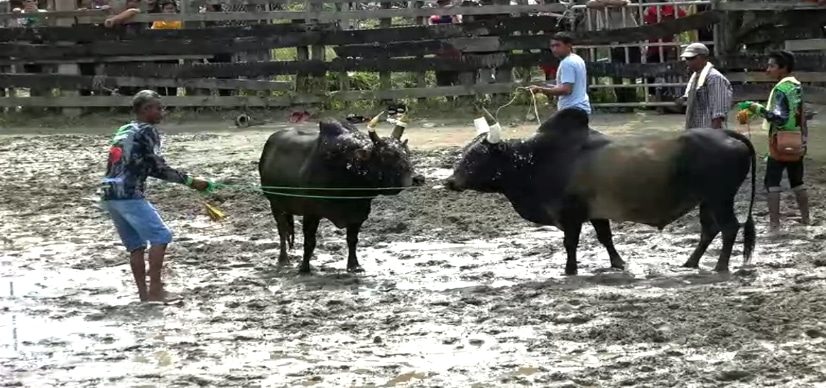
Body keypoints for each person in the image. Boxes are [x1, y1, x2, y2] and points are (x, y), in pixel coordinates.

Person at [101, 90, 213, 302]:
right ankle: (156, 290)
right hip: (129, 194)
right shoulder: (148, 131)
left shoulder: (124, 129)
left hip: (109, 194)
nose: (163, 112)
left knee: (136, 245)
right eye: (158, 108)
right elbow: (157, 167)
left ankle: (145, 295)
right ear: (146, 110)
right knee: (161, 236)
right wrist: (191, 181)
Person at [740, 51, 810, 233]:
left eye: (772, 66)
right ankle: (806, 219)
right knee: (797, 181)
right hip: (796, 139)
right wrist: (804, 138)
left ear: (783, 68)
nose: (768, 69)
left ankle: (774, 225)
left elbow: (778, 118)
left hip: (779, 142)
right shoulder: (796, 86)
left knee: (772, 183)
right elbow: (801, 115)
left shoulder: (780, 89)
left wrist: (756, 108)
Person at [586, 0, 641, 107]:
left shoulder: (621, 4)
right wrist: (605, 3)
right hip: (615, 42)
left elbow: (625, 2)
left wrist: (607, 2)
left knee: (632, 71)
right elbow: (589, 4)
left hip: (630, 40)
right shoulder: (603, 6)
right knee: (615, 72)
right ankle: (620, 100)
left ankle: (632, 99)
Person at [528, 32, 591, 115]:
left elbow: (566, 90)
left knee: (546, 128)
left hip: (572, 110)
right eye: (552, 46)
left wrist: (540, 89)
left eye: (558, 45)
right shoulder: (576, 58)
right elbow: (568, 86)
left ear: (568, 45)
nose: (554, 49)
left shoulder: (567, 63)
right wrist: (546, 87)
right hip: (580, 108)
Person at [678, 42, 732, 130]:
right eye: (687, 59)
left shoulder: (714, 78)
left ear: (703, 58)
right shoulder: (696, 77)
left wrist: (714, 134)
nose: (688, 62)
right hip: (696, 130)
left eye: (691, 58)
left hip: (709, 131)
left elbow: (719, 110)